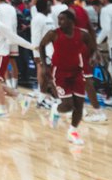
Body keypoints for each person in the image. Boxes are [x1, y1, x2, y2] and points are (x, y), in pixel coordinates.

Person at [38, 10, 97, 146]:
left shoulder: (82, 34)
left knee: (79, 105)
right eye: (59, 19)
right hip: (60, 73)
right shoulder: (53, 34)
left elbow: (93, 48)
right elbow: (41, 45)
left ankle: (73, 132)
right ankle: (55, 109)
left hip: (77, 72)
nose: (60, 22)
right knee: (68, 105)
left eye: (63, 19)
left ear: (71, 21)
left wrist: (93, 57)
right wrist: (45, 65)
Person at [0, 4, 34, 118]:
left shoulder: (2, 26)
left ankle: (3, 109)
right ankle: (22, 99)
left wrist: (31, 46)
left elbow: (15, 38)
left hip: (2, 55)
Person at [0, 0, 21, 89]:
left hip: (3, 37)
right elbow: (15, 22)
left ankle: (9, 84)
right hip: (13, 35)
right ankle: (15, 85)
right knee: (13, 61)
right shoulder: (12, 8)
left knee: (4, 61)